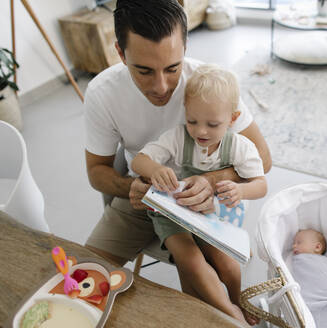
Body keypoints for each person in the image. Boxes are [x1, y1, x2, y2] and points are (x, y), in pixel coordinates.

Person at [83, 0, 270, 325]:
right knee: (81, 277)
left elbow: (262, 160)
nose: (162, 87)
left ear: (185, 46)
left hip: (207, 202)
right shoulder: (102, 93)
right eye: (144, 70)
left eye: (173, 68)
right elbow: (96, 173)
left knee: (201, 304)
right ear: (120, 52)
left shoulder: (211, 85)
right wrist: (135, 186)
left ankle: (236, 315)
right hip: (143, 197)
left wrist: (209, 182)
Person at [131, 64, 267, 324]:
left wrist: (241, 189)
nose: (201, 131)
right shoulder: (179, 138)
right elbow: (139, 161)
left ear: (233, 119)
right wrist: (155, 168)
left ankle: (237, 300)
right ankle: (231, 313)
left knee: (227, 265)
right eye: (192, 121)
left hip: (207, 215)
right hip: (171, 212)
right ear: (186, 112)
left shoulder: (239, 146)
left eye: (212, 124)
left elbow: (261, 185)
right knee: (190, 261)